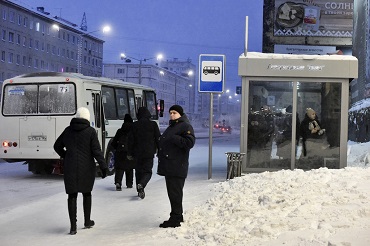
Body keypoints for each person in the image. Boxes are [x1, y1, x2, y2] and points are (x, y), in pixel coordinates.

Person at [53, 107, 107, 235]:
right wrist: (104, 167)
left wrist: (65, 155)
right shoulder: (91, 132)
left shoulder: (68, 130)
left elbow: (57, 146)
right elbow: (96, 152)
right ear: (87, 118)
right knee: (86, 193)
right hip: (86, 167)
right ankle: (87, 222)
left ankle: (73, 227)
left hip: (70, 167)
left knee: (72, 195)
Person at [157, 105, 196, 228]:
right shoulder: (173, 126)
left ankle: (175, 219)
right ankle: (177, 216)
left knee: (175, 193)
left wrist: (174, 138)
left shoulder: (185, 126)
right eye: (170, 113)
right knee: (173, 193)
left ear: (180, 114)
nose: (172, 115)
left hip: (177, 165)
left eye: (174, 113)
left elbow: (189, 142)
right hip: (170, 165)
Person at [127, 107, 160, 199]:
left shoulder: (134, 125)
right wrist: (159, 150)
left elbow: (130, 140)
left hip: (137, 153)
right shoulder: (153, 124)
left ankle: (139, 190)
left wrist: (129, 153)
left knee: (138, 172)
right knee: (147, 172)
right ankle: (142, 184)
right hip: (149, 153)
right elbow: (158, 138)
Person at [111, 114, 135, 190]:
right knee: (130, 168)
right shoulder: (133, 131)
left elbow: (113, 143)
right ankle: (129, 184)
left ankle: (118, 182)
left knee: (119, 168)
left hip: (120, 152)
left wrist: (116, 149)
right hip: (130, 152)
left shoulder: (120, 131)